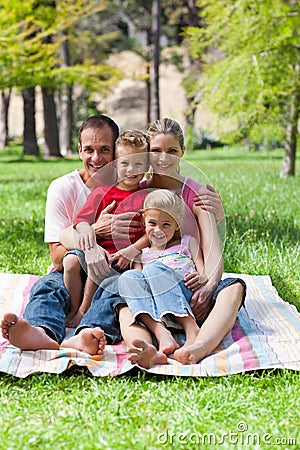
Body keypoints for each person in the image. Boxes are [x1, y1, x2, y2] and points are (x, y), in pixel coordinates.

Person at [1, 114, 225, 357]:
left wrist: (216, 223)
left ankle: (83, 335)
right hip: (80, 262)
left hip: (124, 266)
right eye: (89, 149)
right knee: (49, 285)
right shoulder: (69, 188)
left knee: (117, 289)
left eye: (104, 149)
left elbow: (170, 240)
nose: (97, 158)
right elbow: (58, 257)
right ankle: (41, 331)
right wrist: (95, 234)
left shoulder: (145, 191)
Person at [118, 118, 246, 367]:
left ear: (183, 153)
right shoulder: (136, 190)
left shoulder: (197, 194)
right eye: (156, 151)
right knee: (123, 297)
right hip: (150, 286)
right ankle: (150, 346)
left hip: (188, 283)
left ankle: (197, 347)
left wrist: (208, 285)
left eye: (172, 151)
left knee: (234, 289)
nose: (164, 158)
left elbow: (213, 251)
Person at [62, 129, 149, 328]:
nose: (131, 169)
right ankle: (73, 308)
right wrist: (88, 236)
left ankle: (85, 312)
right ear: (115, 165)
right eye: (125, 163)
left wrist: (132, 250)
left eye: (138, 164)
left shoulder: (146, 197)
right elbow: (81, 221)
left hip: (126, 257)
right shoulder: (102, 192)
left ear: (146, 167)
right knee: (72, 261)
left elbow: (150, 233)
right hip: (97, 251)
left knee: (108, 268)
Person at [118, 189, 207, 365]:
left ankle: (191, 329)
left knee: (152, 269)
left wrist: (202, 279)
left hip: (186, 296)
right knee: (128, 277)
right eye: (152, 223)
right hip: (158, 309)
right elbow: (141, 285)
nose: (158, 230)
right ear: (144, 220)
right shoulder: (141, 254)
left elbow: (204, 271)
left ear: (177, 224)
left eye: (166, 225)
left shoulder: (187, 242)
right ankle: (162, 333)